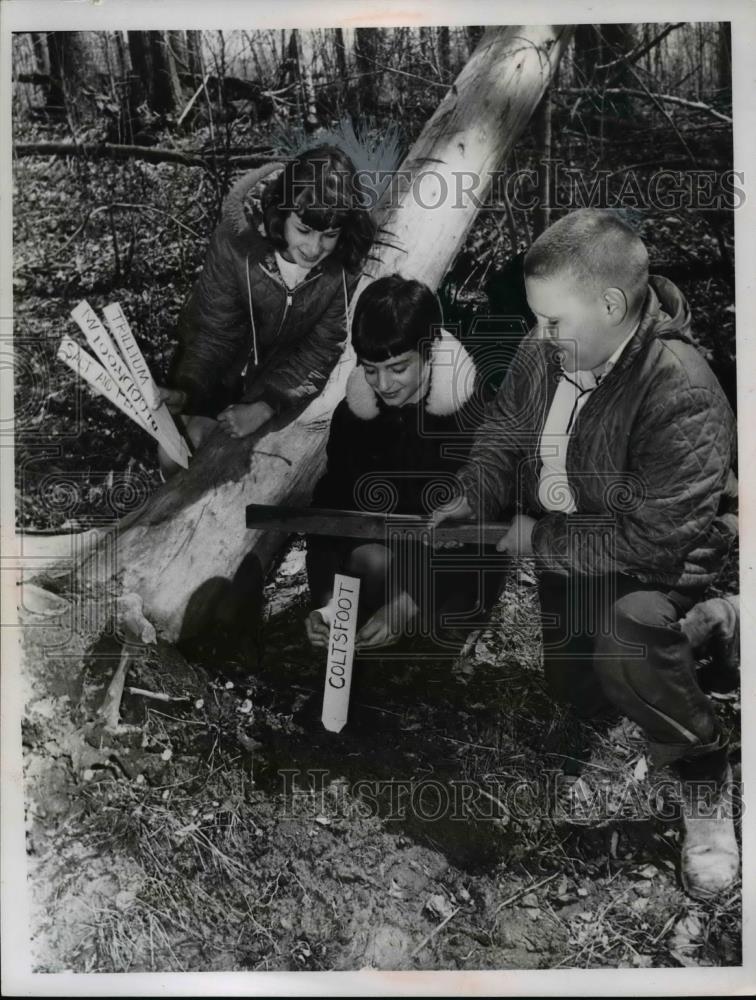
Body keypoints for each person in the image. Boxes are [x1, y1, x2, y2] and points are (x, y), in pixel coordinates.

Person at [431, 209, 739, 901]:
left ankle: (704, 776)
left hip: (665, 568)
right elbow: (506, 430)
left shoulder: (680, 388)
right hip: (574, 557)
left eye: (552, 321)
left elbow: (654, 541)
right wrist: (472, 496)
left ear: (609, 303)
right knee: (577, 690)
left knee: (628, 642)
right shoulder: (553, 349)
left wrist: (541, 540)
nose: (539, 337)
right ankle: (708, 635)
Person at [305, 274, 501, 653]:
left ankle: (414, 617)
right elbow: (330, 511)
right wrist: (327, 600)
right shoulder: (353, 416)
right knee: (371, 562)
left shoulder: (474, 416)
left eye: (398, 368)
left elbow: (488, 534)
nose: (384, 383)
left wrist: (407, 605)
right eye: (370, 369)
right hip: (388, 551)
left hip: (454, 564)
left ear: (429, 351)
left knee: (439, 630)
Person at [157, 145, 375, 472]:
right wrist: (188, 394)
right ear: (280, 212)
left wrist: (265, 406)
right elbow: (213, 332)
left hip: (285, 381)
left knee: (241, 470)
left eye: (329, 234)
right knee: (172, 457)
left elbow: (322, 347)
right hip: (222, 370)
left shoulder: (343, 263)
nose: (315, 248)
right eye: (304, 230)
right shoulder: (237, 241)